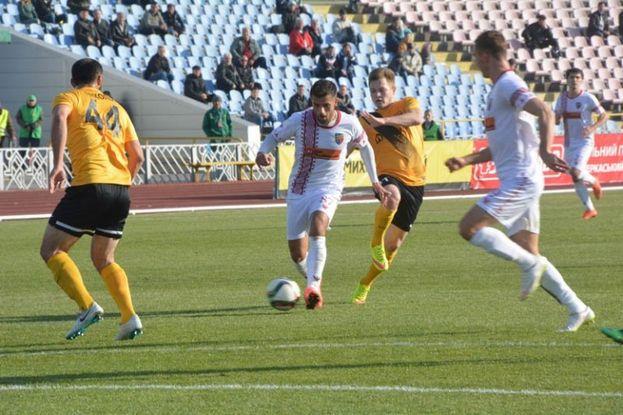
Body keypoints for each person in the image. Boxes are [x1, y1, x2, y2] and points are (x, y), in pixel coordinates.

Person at [444, 31, 593, 332]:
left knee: (469, 228)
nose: (476, 64)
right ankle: (578, 308)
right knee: (528, 248)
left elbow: (544, 110)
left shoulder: (508, 84)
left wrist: (545, 150)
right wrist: (466, 161)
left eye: (476, 57)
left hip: (522, 180)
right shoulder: (501, 88)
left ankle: (529, 265)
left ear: (485, 56)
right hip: (521, 179)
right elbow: (501, 145)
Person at [255, 79, 388, 309]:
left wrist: (375, 181)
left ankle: (313, 288)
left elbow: (365, 147)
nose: (321, 111)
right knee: (298, 255)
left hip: (329, 187)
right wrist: (262, 152)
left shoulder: (349, 123)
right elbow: (273, 137)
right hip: (298, 190)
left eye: (326, 105)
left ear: (335, 102)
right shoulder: (299, 119)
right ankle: (312, 278)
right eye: (316, 105)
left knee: (318, 224)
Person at [40, 58, 144, 341]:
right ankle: (129, 317)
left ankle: (86, 307)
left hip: (90, 184)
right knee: (104, 258)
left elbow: (59, 116)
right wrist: (123, 183)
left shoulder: (70, 97)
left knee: (51, 250)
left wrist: (58, 163)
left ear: (73, 81)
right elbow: (138, 156)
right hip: (120, 189)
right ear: (100, 80)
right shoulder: (118, 109)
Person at [349, 68, 425, 304]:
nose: (377, 95)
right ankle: (375, 242)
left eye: (382, 89)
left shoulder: (407, 104)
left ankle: (365, 283)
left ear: (393, 89)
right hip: (387, 177)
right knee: (391, 196)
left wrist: (383, 121)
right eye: (373, 91)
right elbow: (349, 146)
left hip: (416, 183)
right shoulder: (365, 120)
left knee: (393, 245)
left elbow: (417, 118)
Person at [554, 68, 608, 219]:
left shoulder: (588, 98)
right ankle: (590, 209)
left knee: (577, 172)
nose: (574, 80)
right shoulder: (562, 99)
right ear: (567, 80)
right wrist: (556, 118)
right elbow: (556, 118)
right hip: (569, 142)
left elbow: (604, 116)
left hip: (585, 141)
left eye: (577, 77)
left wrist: (592, 128)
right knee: (574, 176)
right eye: (571, 77)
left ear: (582, 80)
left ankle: (594, 181)